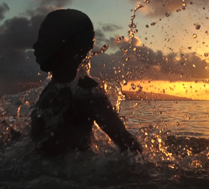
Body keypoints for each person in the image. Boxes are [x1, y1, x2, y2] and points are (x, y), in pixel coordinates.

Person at [30, 9, 142, 156]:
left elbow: (129, 146)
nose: (35, 46)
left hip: (68, 176)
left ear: (66, 46)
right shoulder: (54, 86)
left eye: (43, 39)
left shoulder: (87, 92)